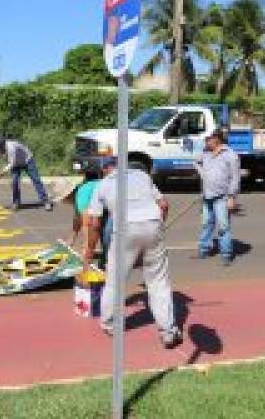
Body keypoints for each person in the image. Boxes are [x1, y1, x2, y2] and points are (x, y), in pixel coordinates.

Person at [84, 158, 182, 349]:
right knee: (158, 282)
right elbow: (164, 205)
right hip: (152, 224)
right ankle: (168, 332)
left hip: (124, 230)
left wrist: (90, 249)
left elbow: (95, 223)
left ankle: (110, 325)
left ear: (105, 170)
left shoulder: (103, 185)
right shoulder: (142, 176)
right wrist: (159, 226)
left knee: (114, 282)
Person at [194, 128, 241, 266]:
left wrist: (232, 197)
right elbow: (195, 161)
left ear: (216, 139)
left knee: (223, 226)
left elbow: (235, 177)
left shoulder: (230, 155)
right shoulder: (206, 153)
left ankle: (226, 254)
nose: (206, 141)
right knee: (206, 224)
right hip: (207, 195)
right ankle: (204, 249)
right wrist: (203, 174)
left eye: (208, 139)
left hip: (222, 197)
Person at [0, 136, 52, 211]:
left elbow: (11, 163)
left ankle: (45, 201)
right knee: (14, 181)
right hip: (15, 164)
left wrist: (0, 174)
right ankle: (16, 203)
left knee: (36, 179)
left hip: (27, 160)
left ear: (3, 145)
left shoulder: (11, 147)